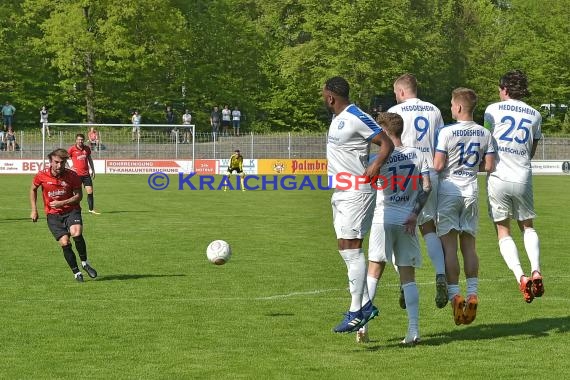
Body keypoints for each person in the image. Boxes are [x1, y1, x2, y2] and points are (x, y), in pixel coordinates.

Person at [324, 76, 394, 333]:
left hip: (357, 190)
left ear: (330, 96)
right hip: (342, 190)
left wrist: (375, 165)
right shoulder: (337, 118)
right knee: (345, 248)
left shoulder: (355, 115)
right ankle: (365, 304)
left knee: (352, 248)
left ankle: (357, 310)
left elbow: (385, 142)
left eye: (324, 95)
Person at [357, 112, 431, 345]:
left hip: (382, 218)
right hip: (406, 221)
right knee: (408, 276)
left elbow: (365, 186)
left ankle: (363, 326)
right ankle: (413, 331)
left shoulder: (379, 157)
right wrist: (414, 215)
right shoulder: (418, 154)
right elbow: (426, 187)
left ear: (386, 132)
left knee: (373, 273)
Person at [433, 88, 495, 326]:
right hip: (471, 190)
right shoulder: (484, 133)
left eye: (451, 105)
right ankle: (472, 293)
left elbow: (438, 165)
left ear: (458, 107)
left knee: (449, 247)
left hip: (449, 191)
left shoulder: (446, 132)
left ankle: (454, 296)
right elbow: (488, 165)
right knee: (469, 245)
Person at [483, 70, 544, 304]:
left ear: (505, 89)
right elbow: (531, 150)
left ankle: (521, 276)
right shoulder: (535, 114)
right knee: (528, 227)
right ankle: (536, 270)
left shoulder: (492, 110)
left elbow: (486, 141)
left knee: (503, 231)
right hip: (522, 176)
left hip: (498, 176)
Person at [388, 73, 448, 309]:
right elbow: (441, 141)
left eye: (396, 92)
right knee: (429, 227)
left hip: (403, 173)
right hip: (429, 172)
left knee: (397, 229)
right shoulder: (433, 110)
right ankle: (441, 274)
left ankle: (404, 283)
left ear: (402, 92)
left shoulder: (395, 111)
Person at [30, 148, 98, 282]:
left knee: (76, 233)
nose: (59, 165)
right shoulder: (41, 175)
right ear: (50, 161)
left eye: (62, 162)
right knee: (65, 242)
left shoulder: (72, 175)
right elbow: (33, 189)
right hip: (53, 215)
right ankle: (77, 272)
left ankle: (85, 262)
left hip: (71, 210)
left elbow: (79, 196)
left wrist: (63, 202)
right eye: (56, 162)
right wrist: (34, 209)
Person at [68, 134, 100, 215]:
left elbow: (89, 159)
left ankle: (91, 209)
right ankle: (76, 209)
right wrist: (69, 168)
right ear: (76, 140)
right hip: (76, 175)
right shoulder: (72, 149)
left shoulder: (87, 148)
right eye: (79, 139)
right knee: (77, 194)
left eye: (82, 139)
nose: (80, 141)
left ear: (84, 140)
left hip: (86, 174)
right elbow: (64, 158)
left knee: (90, 191)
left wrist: (93, 169)